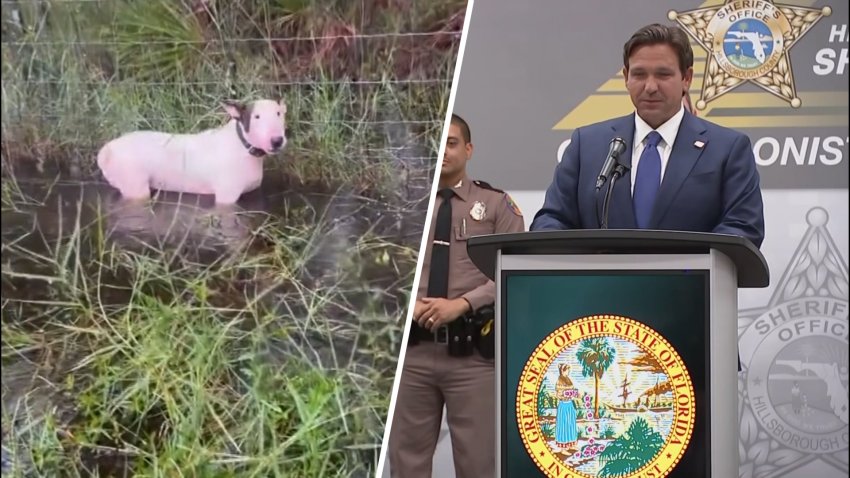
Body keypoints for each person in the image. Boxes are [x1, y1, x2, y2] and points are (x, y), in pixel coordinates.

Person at [530, 23, 765, 249]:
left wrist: (681, 270)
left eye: (663, 75)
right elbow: (550, 220)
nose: (650, 87)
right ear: (626, 77)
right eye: (639, 74)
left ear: (687, 78)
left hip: (688, 288)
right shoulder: (587, 145)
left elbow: (743, 228)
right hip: (600, 288)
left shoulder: (728, 148)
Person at [388, 114, 526, 478]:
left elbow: (512, 270)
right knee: (406, 463)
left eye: (451, 143)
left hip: (472, 358)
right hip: (411, 355)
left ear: (468, 149)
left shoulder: (496, 205)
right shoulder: (401, 204)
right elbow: (378, 268)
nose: (443, 151)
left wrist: (462, 304)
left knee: (478, 464)